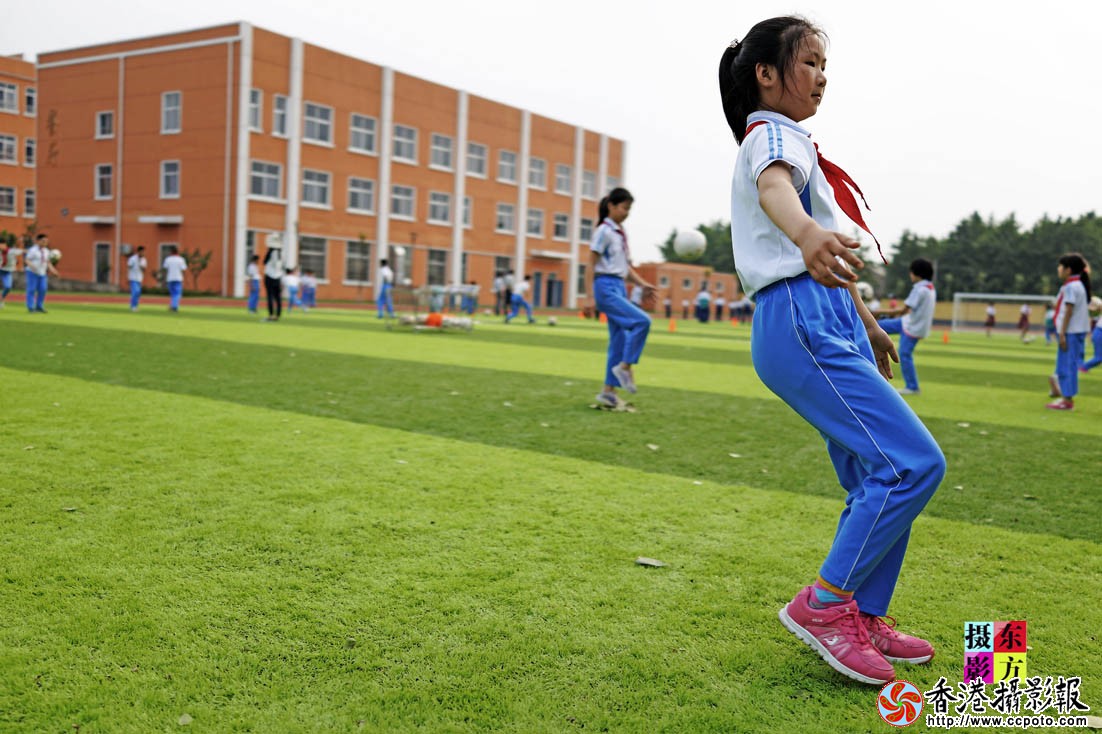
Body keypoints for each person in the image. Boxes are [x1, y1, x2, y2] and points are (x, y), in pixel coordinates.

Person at [720, 16, 944, 686]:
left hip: (827, 318)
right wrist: (808, 233)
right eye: (810, 62)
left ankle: (863, 613)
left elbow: (822, 253)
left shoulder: (794, 139)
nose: (821, 77)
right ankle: (824, 605)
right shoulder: (770, 135)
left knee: (878, 475)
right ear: (767, 74)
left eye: (825, 66)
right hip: (799, 319)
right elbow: (775, 191)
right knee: (913, 464)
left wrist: (869, 323)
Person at [587, 187, 654, 408]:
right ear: (611, 206)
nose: (627, 213)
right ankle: (625, 367)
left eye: (629, 209)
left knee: (618, 340)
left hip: (618, 285)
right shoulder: (604, 231)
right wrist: (589, 297)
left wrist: (643, 284)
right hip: (605, 286)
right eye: (624, 208)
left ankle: (608, 392)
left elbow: (624, 268)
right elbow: (590, 264)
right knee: (642, 321)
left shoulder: (619, 233)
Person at [877, 258, 937, 395]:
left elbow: (904, 310)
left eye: (911, 272)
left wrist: (878, 312)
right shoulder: (930, 287)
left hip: (912, 326)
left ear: (916, 273)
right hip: (909, 323)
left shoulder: (920, 289)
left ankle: (912, 387)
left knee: (904, 353)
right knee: (877, 327)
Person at [1046, 253, 1091, 410]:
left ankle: (1067, 400)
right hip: (1074, 331)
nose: (1058, 269)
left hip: (1071, 332)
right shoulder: (1076, 285)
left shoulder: (1072, 287)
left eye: (1060, 266)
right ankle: (1064, 394)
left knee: (1067, 365)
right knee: (1067, 364)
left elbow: (1068, 310)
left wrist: (1062, 333)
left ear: (1068, 270)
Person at [24, 233, 59, 313]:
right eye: (43, 241)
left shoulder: (46, 251)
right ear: (38, 241)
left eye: (46, 241)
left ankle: (39, 306)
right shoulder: (33, 250)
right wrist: (32, 266)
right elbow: (27, 260)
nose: (45, 243)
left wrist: (53, 271)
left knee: (43, 289)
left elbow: (48, 262)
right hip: (32, 272)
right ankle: (30, 307)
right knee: (31, 289)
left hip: (42, 273)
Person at [162, 245, 188, 312]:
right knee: (177, 294)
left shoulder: (168, 259)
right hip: (178, 278)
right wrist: (185, 279)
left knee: (173, 294)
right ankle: (174, 307)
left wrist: (163, 279)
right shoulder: (181, 259)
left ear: (171, 251)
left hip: (170, 279)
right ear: (178, 251)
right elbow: (184, 270)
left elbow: (165, 270)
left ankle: (172, 306)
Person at [1080, 297, 1102, 373]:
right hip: (1099, 332)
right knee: (1099, 358)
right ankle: (1083, 367)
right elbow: (1097, 304)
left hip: (1098, 332)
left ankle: (1083, 367)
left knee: (1099, 358)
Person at [0, 238, 22, 308]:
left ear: (5, 244)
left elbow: (22, 251)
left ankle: (1, 299)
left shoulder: (12, 251)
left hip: (7, 272)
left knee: (8, 287)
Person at [263, 246, 283, 321]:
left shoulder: (271, 253)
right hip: (278, 278)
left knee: (270, 296)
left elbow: (264, 262)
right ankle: (277, 315)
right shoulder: (281, 255)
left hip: (270, 277)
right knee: (278, 297)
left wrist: (270, 251)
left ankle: (271, 315)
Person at [126, 246, 147, 311]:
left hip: (139, 279)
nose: (143, 253)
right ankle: (133, 306)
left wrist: (141, 265)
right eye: (142, 252)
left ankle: (135, 305)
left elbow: (144, 269)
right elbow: (129, 266)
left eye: (144, 252)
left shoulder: (144, 260)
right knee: (135, 291)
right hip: (133, 278)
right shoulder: (132, 258)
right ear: (139, 251)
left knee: (138, 293)